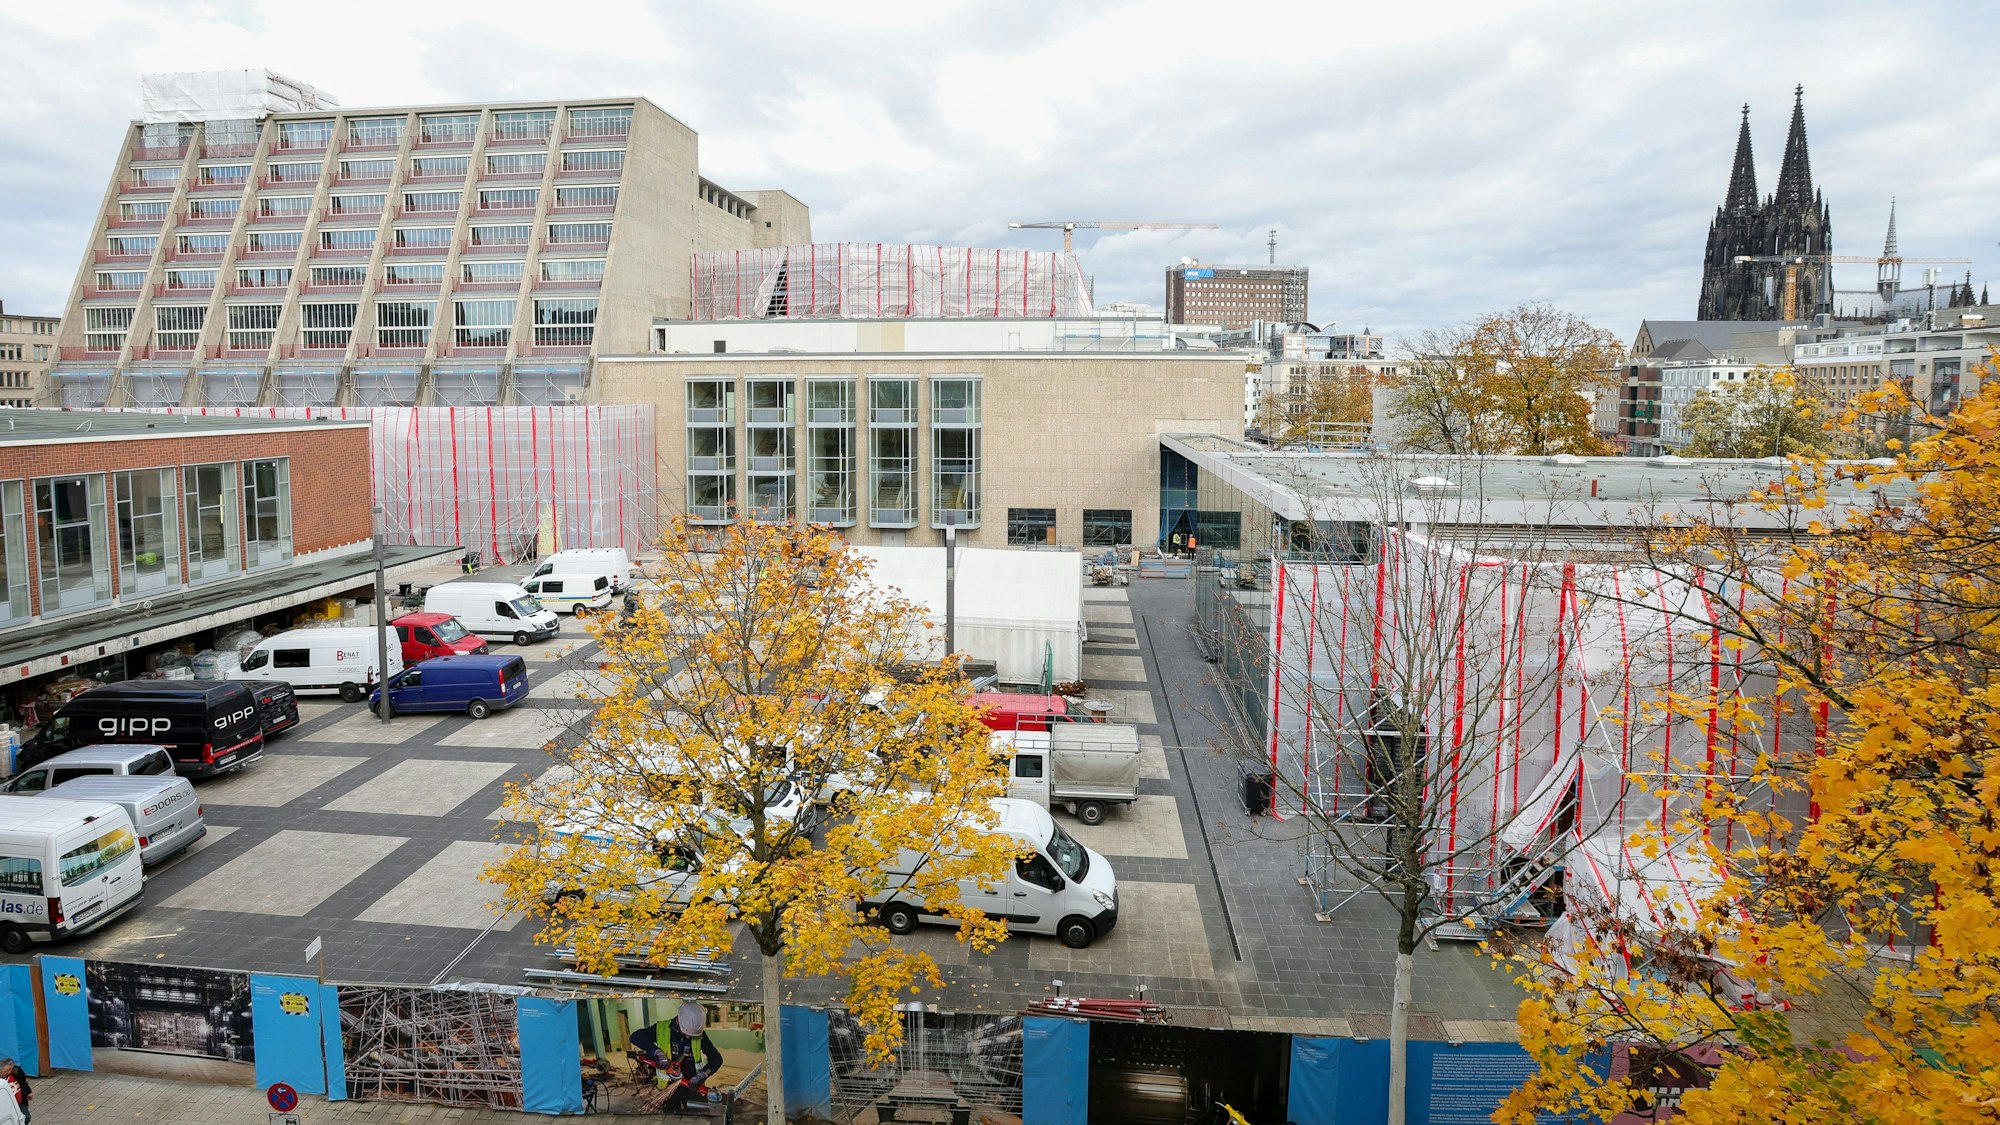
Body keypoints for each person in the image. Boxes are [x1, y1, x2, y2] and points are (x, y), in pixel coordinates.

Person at [628, 1001, 723, 1111]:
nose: (689, 1037)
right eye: (686, 1033)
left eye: (692, 1035)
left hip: (691, 1085)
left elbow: (716, 1058)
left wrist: (703, 1074)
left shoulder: (699, 1035)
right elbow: (635, 1036)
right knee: (671, 1115)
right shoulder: (662, 1029)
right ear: (678, 1021)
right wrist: (656, 1052)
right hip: (668, 1086)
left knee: (697, 1115)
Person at [0, 1058, 27, 1125]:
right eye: (6, 1071)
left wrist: (28, 1092)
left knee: (27, 1117)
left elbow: (23, 1082)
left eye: (10, 1070)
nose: (9, 1072)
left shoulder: (16, 1072)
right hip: (8, 1106)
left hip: (20, 1102)